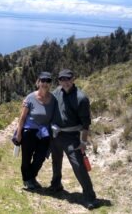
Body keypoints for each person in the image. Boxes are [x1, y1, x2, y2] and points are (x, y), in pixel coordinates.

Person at [50, 69, 98, 209]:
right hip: (56, 135)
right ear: (59, 81)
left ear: (73, 79)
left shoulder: (81, 98)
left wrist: (83, 142)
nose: (65, 82)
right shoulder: (56, 92)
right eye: (62, 79)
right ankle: (56, 184)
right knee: (56, 160)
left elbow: (85, 124)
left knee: (78, 165)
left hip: (72, 137)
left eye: (68, 79)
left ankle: (90, 197)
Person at [15, 71, 56, 190]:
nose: (45, 83)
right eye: (43, 81)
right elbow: (22, 117)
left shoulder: (53, 99)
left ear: (50, 84)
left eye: (48, 81)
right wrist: (19, 134)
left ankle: (31, 177)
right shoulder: (30, 97)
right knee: (26, 157)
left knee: (40, 157)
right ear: (38, 82)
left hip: (44, 132)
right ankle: (27, 180)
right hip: (29, 132)